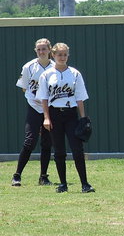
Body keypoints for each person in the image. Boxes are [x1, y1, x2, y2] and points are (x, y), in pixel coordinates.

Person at [36, 42, 95, 193]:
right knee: (59, 151)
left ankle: (85, 184)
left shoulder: (75, 73)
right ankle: (63, 184)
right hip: (54, 114)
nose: (62, 57)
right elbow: (43, 98)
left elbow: (80, 97)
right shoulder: (46, 74)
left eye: (65, 54)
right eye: (59, 54)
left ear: (68, 55)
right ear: (53, 55)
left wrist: (83, 118)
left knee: (77, 149)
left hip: (70, 113)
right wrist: (46, 118)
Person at [12, 38, 55, 186]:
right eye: (39, 49)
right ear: (35, 51)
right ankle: (17, 175)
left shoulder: (56, 67)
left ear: (49, 50)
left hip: (50, 109)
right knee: (29, 141)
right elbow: (24, 87)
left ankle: (43, 176)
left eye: (44, 49)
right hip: (34, 107)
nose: (41, 52)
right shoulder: (29, 67)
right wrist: (36, 98)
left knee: (47, 143)